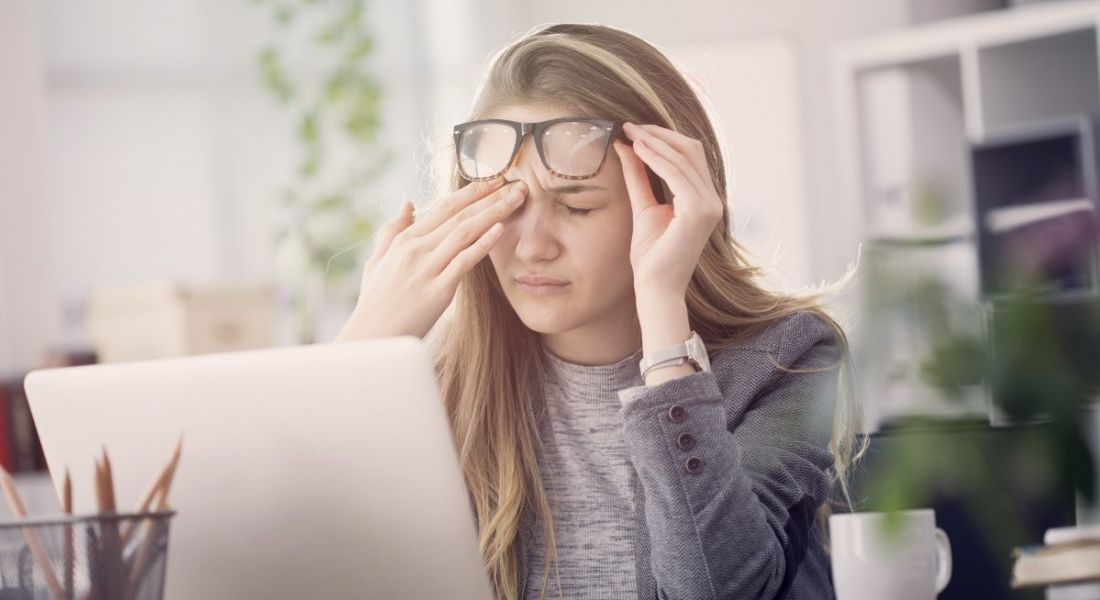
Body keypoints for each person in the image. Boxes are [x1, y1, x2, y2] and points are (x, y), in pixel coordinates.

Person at [336, 22, 864, 600]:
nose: (533, 245)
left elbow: (717, 588)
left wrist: (664, 316)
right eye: (505, 204)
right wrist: (363, 351)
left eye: (577, 206)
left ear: (668, 203)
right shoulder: (438, 377)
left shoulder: (787, 359)